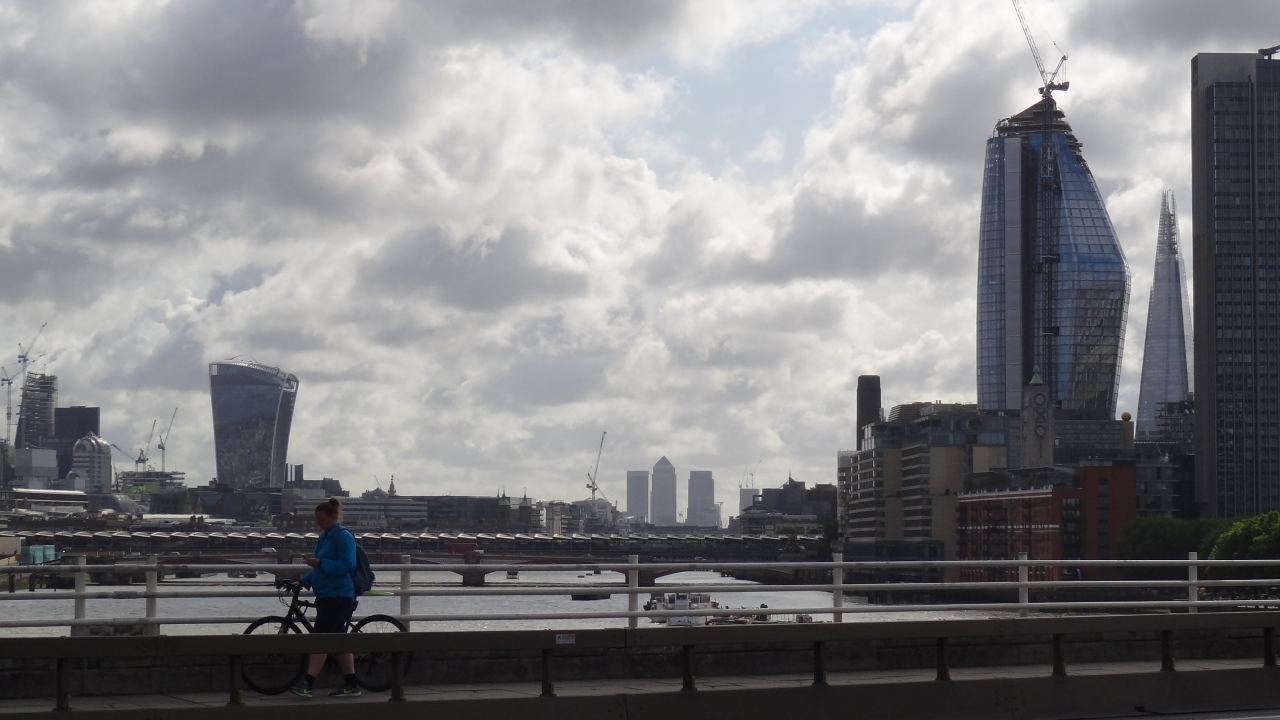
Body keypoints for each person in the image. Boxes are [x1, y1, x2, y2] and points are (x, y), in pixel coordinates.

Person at [290, 497, 361, 698]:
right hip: (325, 595)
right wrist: (303, 581)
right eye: (317, 519)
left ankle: (307, 684)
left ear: (333, 516)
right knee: (339, 641)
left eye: (322, 519)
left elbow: (348, 564)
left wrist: (321, 564)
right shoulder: (324, 537)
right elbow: (318, 568)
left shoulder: (343, 536)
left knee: (320, 638)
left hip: (338, 596)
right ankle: (352, 684)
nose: (318, 523)